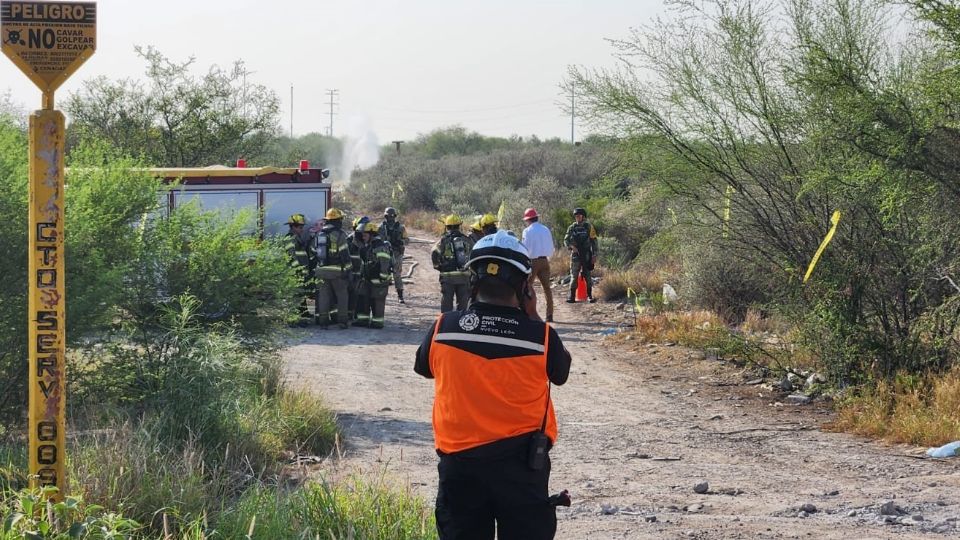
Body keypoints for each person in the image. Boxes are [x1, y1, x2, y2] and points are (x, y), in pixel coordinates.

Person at [415, 230, 572, 540]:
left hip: (459, 467)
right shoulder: (541, 337)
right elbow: (561, 373)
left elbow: (424, 368)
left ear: (473, 282)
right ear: (525, 288)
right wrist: (533, 316)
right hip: (522, 468)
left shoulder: (442, 328)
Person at [313, 208, 352, 328]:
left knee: (324, 296)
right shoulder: (340, 234)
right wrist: (348, 270)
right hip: (336, 271)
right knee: (342, 295)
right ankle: (342, 321)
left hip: (320, 270)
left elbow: (315, 252)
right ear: (337, 220)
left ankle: (323, 321)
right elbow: (344, 254)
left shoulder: (319, 234)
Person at [431, 214, 474, 312]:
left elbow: (434, 252)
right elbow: (474, 254)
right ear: (459, 226)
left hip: (447, 277)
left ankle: (445, 323)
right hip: (464, 277)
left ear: (447, 227)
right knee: (463, 304)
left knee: (447, 302)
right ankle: (460, 325)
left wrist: (438, 266)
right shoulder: (467, 240)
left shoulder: (443, 240)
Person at [354, 222, 394, 329]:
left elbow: (384, 263)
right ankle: (363, 320)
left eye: (365, 235)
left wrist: (382, 278)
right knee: (363, 300)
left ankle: (377, 322)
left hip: (379, 281)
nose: (363, 237)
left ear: (372, 235)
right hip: (368, 279)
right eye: (362, 235)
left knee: (377, 302)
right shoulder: (368, 246)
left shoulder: (380, 246)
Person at [521, 208, 555, 323]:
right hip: (545, 261)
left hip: (533, 261)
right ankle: (549, 315)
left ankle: (526, 313)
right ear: (536, 217)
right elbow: (551, 246)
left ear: (528, 220)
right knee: (547, 289)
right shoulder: (545, 229)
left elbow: (525, 248)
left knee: (526, 287)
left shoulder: (527, 231)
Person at [284, 213, 315, 327]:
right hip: (295, 274)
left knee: (304, 296)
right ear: (293, 227)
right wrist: (299, 269)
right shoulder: (289, 238)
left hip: (302, 273)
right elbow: (291, 256)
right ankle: (292, 320)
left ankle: (304, 319)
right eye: (300, 227)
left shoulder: (298, 238)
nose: (302, 230)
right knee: (295, 298)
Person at [563, 207, 599, 303]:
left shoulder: (589, 227)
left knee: (587, 274)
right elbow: (566, 240)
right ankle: (572, 296)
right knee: (574, 275)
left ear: (583, 216)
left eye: (579, 216)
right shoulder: (572, 227)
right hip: (575, 255)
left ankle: (590, 296)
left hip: (586, 254)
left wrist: (594, 255)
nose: (577, 217)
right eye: (576, 216)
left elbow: (594, 241)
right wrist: (572, 247)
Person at [379, 207, 410, 304]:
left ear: (395, 216)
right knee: (384, 274)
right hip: (385, 254)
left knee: (397, 275)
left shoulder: (401, 227)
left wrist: (400, 241)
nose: (391, 218)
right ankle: (382, 296)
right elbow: (376, 240)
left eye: (392, 216)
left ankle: (400, 296)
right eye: (389, 216)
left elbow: (407, 240)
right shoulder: (380, 227)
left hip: (397, 253)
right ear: (385, 216)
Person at [347, 216, 370, 323]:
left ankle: (356, 315)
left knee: (360, 296)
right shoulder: (349, 240)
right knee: (351, 295)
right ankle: (349, 314)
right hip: (351, 273)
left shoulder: (367, 240)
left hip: (362, 274)